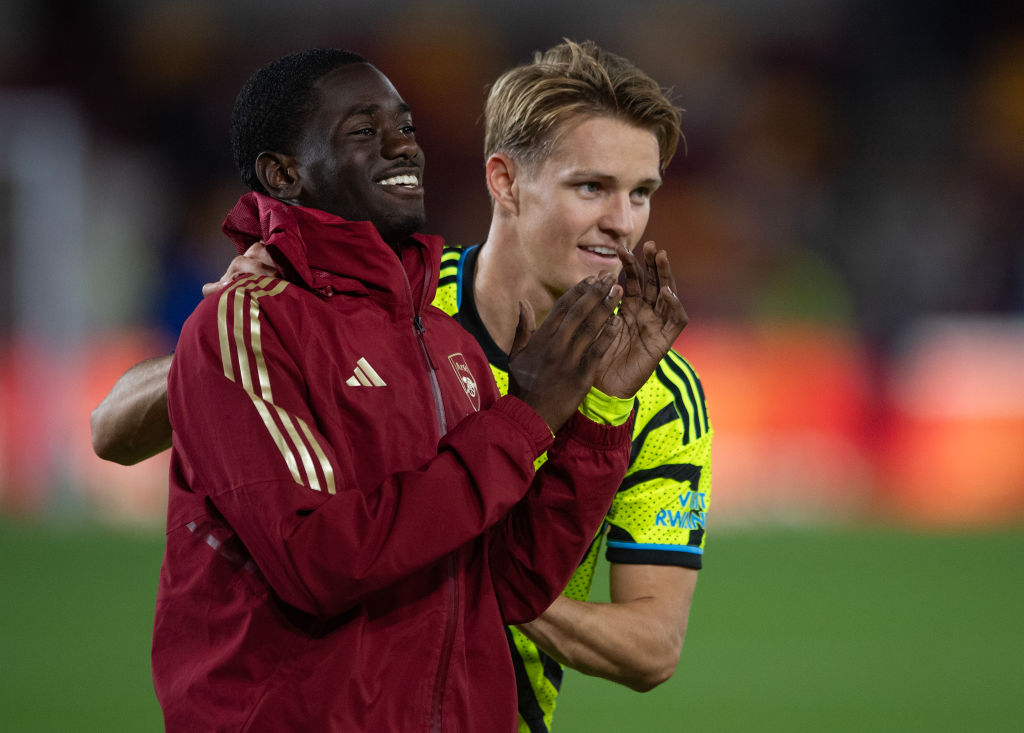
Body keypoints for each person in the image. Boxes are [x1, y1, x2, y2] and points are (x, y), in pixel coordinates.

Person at [91, 41, 708, 733]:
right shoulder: (393, 305)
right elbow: (112, 429)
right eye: (591, 187)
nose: (622, 221)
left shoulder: (652, 389)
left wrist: (463, 570)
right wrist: (254, 326)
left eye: (641, 193)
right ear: (503, 181)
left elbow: (652, 645)